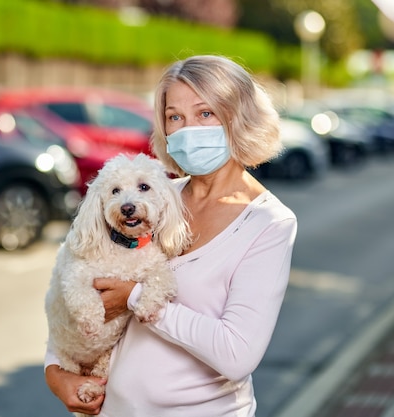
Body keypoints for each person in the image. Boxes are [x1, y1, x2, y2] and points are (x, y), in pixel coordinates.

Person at [44, 54, 298, 417]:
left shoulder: (269, 223)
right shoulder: (152, 195)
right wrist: (55, 373)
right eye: (174, 116)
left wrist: (136, 298)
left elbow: (237, 353)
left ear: (238, 116)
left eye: (205, 113)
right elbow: (72, 293)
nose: (187, 129)